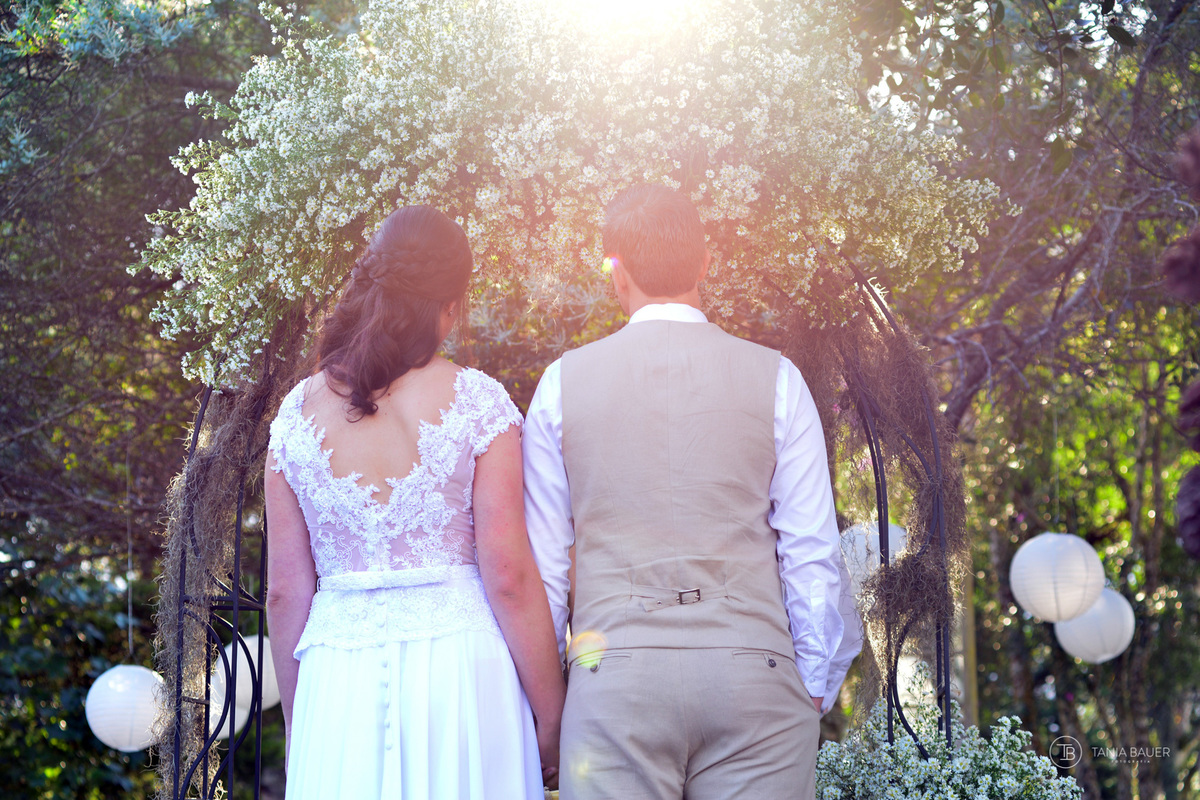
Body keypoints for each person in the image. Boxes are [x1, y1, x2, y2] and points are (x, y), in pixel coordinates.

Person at [523, 184, 852, 799]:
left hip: (613, 684)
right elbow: (811, 547)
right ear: (706, 265)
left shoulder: (560, 385)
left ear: (614, 274)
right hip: (756, 679)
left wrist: (552, 702)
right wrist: (812, 679)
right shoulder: (779, 378)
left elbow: (544, 569)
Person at [265, 205, 565, 799]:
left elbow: (283, 593)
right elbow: (507, 575)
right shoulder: (479, 403)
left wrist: (303, 719)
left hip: (338, 677)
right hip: (460, 673)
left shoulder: (295, 417)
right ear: (450, 305)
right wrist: (551, 712)